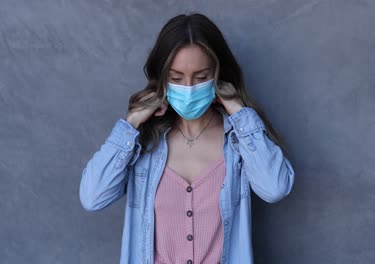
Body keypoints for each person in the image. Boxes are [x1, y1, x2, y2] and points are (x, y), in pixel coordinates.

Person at [79, 12, 295, 264]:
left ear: (217, 75)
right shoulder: (144, 142)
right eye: (176, 78)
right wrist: (132, 122)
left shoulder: (238, 142)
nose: (189, 88)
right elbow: (93, 197)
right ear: (162, 78)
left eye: (202, 77)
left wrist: (239, 112)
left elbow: (275, 188)